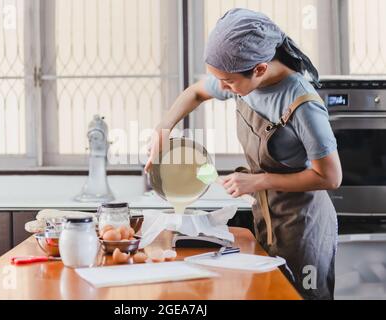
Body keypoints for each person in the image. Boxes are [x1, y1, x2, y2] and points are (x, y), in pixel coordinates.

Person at [145, 8, 342, 300]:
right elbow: (196, 92)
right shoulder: (241, 77)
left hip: (304, 228)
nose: (222, 88)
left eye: (228, 82)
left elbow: (330, 176)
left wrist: (259, 181)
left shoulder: (302, 104)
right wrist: (163, 128)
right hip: (267, 217)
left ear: (260, 69)